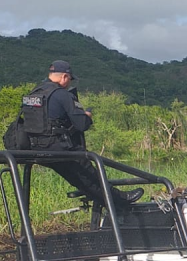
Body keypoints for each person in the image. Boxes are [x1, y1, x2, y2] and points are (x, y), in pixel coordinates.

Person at [22, 60, 143, 208]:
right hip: (58, 148)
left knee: (79, 178)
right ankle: (120, 200)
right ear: (64, 77)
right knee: (89, 174)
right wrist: (87, 116)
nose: (68, 83)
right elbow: (82, 124)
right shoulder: (62, 95)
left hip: (35, 148)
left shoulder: (33, 94)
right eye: (69, 80)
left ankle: (105, 200)